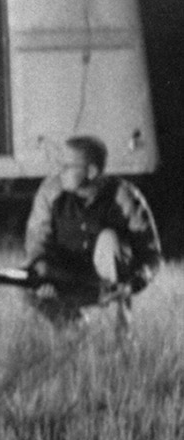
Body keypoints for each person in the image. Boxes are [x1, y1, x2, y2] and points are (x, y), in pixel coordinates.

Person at [24, 134, 161, 324]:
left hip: (109, 281)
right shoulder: (50, 192)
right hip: (66, 275)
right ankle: (75, 325)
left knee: (108, 238)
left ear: (91, 171)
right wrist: (42, 274)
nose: (59, 171)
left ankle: (122, 327)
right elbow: (37, 244)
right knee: (29, 287)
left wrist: (132, 285)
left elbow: (151, 255)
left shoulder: (123, 196)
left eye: (67, 166)